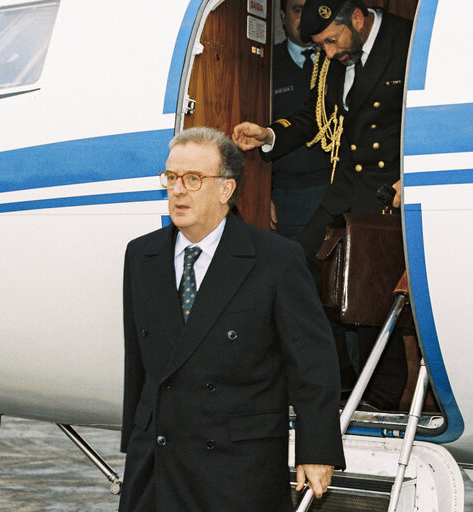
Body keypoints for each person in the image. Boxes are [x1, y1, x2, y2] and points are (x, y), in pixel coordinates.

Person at [119, 127, 345, 512]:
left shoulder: (275, 259)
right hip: (158, 464)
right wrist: (135, 442)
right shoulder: (141, 256)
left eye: (193, 179)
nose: (177, 190)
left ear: (225, 190)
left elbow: (312, 362)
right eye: (171, 177)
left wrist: (316, 448)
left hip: (237, 468)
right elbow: (139, 366)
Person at [232, 0, 411, 410]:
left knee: (370, 292)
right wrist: (269, 135)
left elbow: (431, 112)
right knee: (298, 264)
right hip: (348, 185)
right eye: (321, 45)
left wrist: (417, 175)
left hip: (391, 189)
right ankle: (338, 382)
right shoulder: (334, 56)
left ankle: (381, 399)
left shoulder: (408, 42)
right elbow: (315, 115)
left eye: (331, 41)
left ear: (359, 19)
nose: (328, 53)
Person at [271, 0, 332, 238]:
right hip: (286, 198)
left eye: (310, 9)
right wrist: (259, 194)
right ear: (283, 17)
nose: (306, 17)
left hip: (336, 192)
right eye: (298, 10)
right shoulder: (265, 66)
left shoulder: (339, 58)